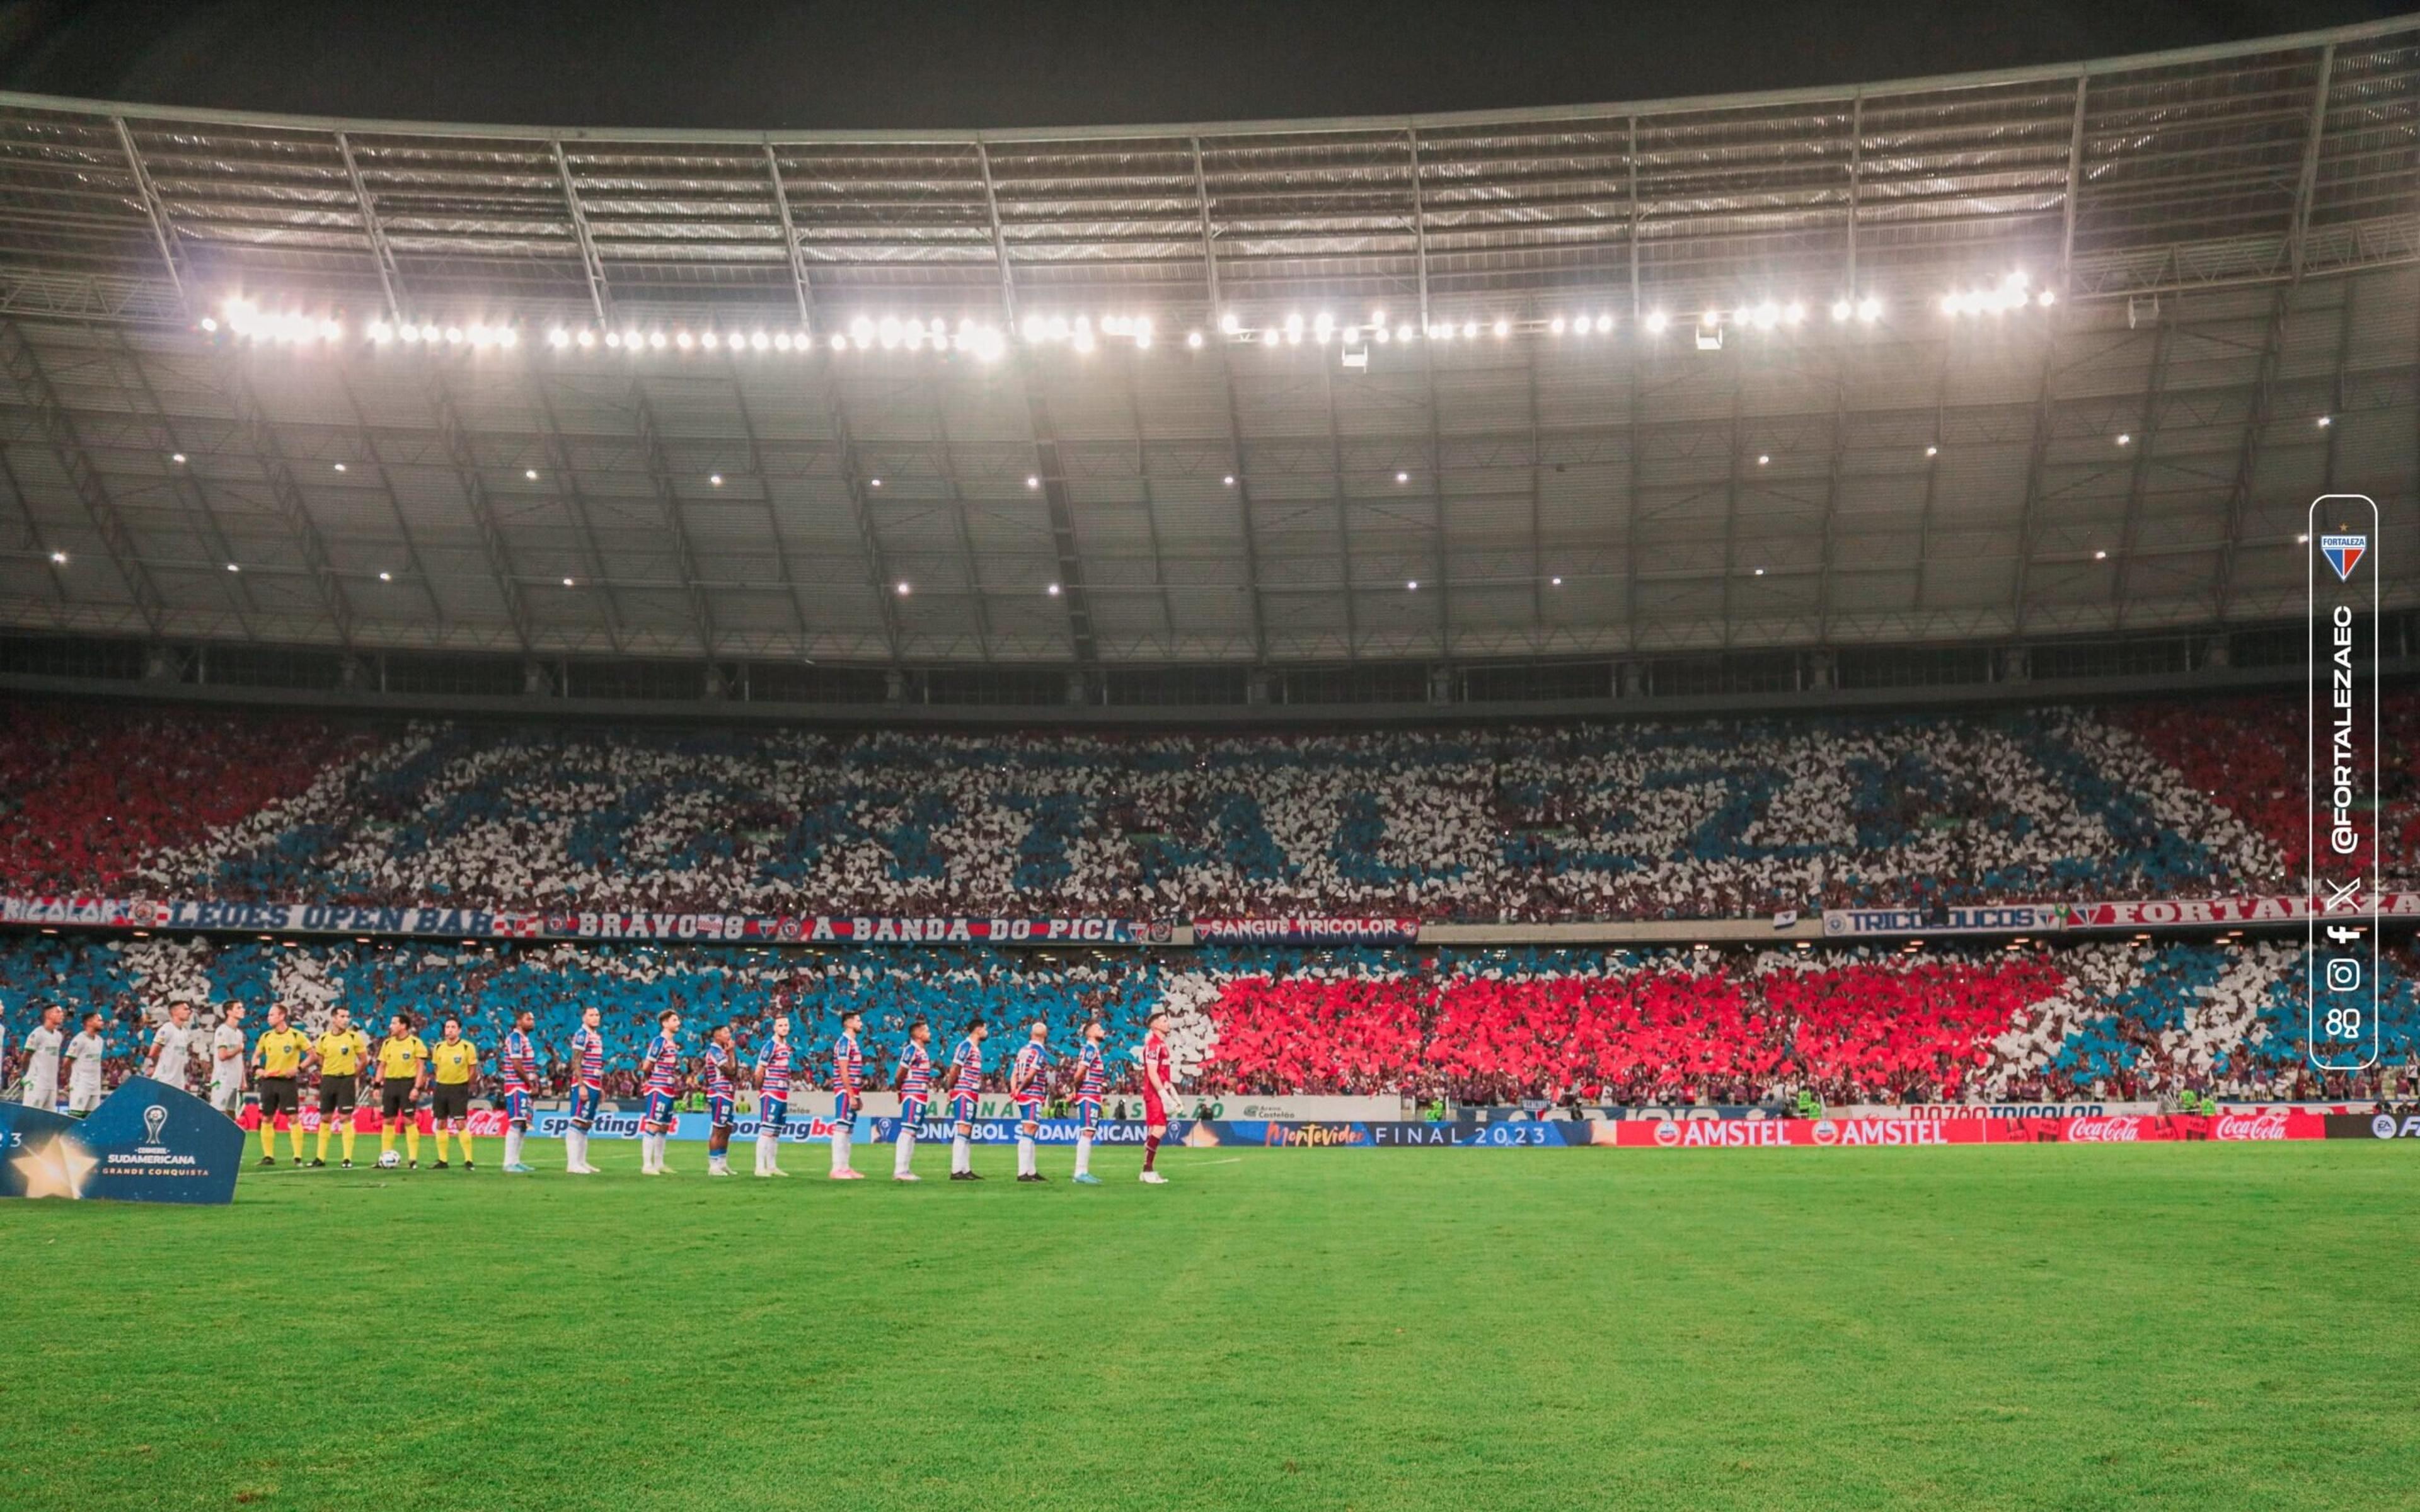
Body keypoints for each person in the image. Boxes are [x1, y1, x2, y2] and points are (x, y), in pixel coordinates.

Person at [250, 1005, 312, 1165]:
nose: (268, 1018)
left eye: (272, 1015)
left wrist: (299, 1068)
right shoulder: (266, 1037)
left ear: (282, 1016)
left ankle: (297, 1157)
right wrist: (258, 1069)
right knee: (266, 1118)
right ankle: (268, 1156)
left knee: (293, 1117)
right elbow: (256, 1056)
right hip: (269, 1082)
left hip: (287, 1082)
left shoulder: (296, 1036)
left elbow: (313, 1055)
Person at [310, 1007, 369, 1167]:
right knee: (325, 1118)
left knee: (345, 1117)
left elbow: (364, 1060)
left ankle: (347, 1158)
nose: (346, 1019)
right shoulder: (324, 1039)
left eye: (347, 1016)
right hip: (328, 1080)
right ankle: (320, 1158)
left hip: (346, 1080)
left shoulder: (354, 1037)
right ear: (334, 1019)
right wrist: (329, 1071)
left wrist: (353, 1075)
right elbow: (320, 1059)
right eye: (342, 1016)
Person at [375, 1013, 429, 1169]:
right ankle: (384, 1157)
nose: (390, 1026)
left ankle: (412, 1159)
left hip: (407, 1083)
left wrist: (416, 1088)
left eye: (394, 1023)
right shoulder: (387, 1044)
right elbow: (382, 1066)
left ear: (403, 1026)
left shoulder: (415, 1043)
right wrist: (377, 1085)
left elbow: (421, 1068)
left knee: (408, 1120)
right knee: (388, 1120)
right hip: (390, 1084)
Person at [426, 1015, 480, 1169]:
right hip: (442, 1087)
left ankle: (469, 1161)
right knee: (441, 1122)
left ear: (459, 1030)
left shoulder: (467, 1047)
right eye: (447, 1027)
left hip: (459, 1088)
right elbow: (436, 1067)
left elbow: (472, 1068)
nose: (449, 1030)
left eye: (453, 1027)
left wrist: (466, 1084)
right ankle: (443, 1161)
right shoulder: (438, 1047)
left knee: (460, 1123)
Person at [638, 1010, 683, 1176]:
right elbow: (647, 1066)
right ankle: (647, 1165)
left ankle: (659, 1163)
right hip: (658, 1088)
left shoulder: (672, 1044)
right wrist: (651, 1082)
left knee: (664, 1126)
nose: (678, 1023)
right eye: (675, 1020)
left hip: (668, 1089)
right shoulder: (659, 1042)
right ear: (665, 1023)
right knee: (653, 1125)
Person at [1139, 1007, 1180, 1185]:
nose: (1167, 1023)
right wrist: (1163, 1094)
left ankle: (1147, 1169)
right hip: (1154, 1093)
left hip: (1159, 1091)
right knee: (1159, 1129)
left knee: (1154, 1131)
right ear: (1154, 1025)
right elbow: (1152, 1073)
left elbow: (1163, 1075)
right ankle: (1147, 1170)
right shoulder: (1153, 1046)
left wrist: (1174, 1094)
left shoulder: (1162, 1045)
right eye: (1164, 1021)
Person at [564, 1005, 606, 1174]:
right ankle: (572, 1163)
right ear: (584, 1018)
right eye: (591, 1015)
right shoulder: (582, 1035)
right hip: (585, 1083)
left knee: (587, 1124)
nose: (595, 1018)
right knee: (577, 1121)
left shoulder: (595, 1036)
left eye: (597, 1014)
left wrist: (600, 1086)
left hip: (594, 1082)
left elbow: (595, 1063)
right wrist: (581, 1084)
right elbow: (576, 1061)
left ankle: (581, 1162)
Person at [945, 1018, 988, 1181]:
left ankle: (965, 1169)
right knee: (963, 1128)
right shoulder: (966, 1046)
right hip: (963, 1091)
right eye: (985, 1029)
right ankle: (956, 1170)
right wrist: (951, 1088)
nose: (986, 1032)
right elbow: (955, 1068)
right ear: (978, 1030)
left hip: (972, 1092)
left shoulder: (976, 1049)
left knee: (968, 1131)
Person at [497, 1009, 540, 1174]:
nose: (532, 1022)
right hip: (517, 1086)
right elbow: (517, 1064)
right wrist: (529, 1084)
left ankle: (516, 1161)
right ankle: (508, 1163)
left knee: (522, 1124)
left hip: (524, 1086)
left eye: (533, 1019)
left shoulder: (524, 1039)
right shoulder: (515, 1038)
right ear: (519, 1022)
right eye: (528, 1019)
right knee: (516, 1122)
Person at [892, 1017, 933, 1183]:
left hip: (920, 1095)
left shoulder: (921, 1051)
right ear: (919, 1034)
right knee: (908, 1130)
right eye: (927, 1031)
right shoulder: (912, 1050)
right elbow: (899, 1073)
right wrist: (900, 1089)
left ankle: (905, 1169)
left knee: (912, 1132)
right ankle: (900, 1170)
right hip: (913, 1094)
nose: (930, 1034)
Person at [1010, 1018, 1051, 1183]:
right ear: (1045, 1035)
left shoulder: (1023, 1050)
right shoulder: (1039, 1052)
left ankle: (1031, 1171)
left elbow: (1014, 1073)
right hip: (1032, 1093)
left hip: (1022, 1094)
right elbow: (1032, 1073)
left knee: (1031, 1130)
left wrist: (1014, 1090)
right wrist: (1020, 1089)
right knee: (1029, 1129)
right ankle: (1023, 1172)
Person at [754, 1013, 795, 1178]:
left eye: (786, 1025)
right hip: (771, 1092)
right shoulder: (770, 1046)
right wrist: (760, 1090)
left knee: (776, 1132)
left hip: (782, 1092)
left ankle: (772, 1166)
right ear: (775, 1028)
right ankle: (759, 1167)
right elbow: (759, 1070)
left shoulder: (786, 1047)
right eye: (781, 1025)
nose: (784, 1028)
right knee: (766, 1131)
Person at [1069, 1017, 1109, 1185]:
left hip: (1091, 1095)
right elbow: (1079, 1073)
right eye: (1098, 1028)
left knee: (1089, 1132)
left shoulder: (1094, 1050)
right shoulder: (1090, 1049)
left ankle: (1082, 1171)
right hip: (1088, 1095)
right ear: (1090, 1033)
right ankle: (1080, 1172)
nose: (1102, 1031)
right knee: (1087, 1132)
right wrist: (1078, 1090)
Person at [696, 1024, 739, 1177]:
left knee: (727, 1130)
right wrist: (732, 1053)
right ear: (718, 1036)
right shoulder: (715, 1051)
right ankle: (713, 1165)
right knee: (718, 1130)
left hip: (727, 1094)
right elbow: (731, 1071)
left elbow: (735, 1073)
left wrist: (731, 1053)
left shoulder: (723, 1051)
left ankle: (722, 1163)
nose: (729, 1035)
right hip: (719, 1093)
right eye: (726, 1032)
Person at [829, 1007, 867, 1180]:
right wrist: (851, 1094)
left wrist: (858, 1095)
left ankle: (845, 1167)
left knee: (848, 1130)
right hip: (844, 1091)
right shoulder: (844, 1043)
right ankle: (837, 1168)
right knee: (842, 1127)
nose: (861, 1024)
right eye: (858, 1021)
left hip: (852, 1091)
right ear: (848, 1023)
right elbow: (844, 1071)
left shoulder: (853, 1043)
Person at [146, 1002, 202, 1093]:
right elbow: (153, 1052)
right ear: (175, 1012)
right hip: (164, 1079)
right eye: (185, 1009)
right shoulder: (166, 1029)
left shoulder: (184, 1032)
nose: (189, 1012)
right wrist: (160, 1066)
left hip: (179, 1081)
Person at [18, 1003, 64, 1111]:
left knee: (47, 1121)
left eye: (62, 1012)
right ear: (48, 1015)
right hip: (37, 1084)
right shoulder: (37, 1034)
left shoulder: (59, 1036)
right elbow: (25, 1057)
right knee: (30, 1117)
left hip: (52, 1085)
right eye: (58, 1012)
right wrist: (29, 1075)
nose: (62, 1015)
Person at [207, 1004, 248, 1120]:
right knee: (219, 1113)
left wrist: (243, 1080)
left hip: (235, 1079)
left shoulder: (239, 1033)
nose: (243, 1010)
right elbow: (223, 1055)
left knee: (232, 1114)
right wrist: (238, 1049)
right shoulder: (222, 1031)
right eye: (239, 1008)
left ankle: (227, 1138)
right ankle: (213, 1137)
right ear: (229, 1012)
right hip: (223, 1079)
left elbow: (239, 1058)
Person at [63, 1011, 107, 1117]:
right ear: (89, 1022)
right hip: (81, 1084)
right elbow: (67, 1062)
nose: (102, 1023)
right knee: (75, 1116)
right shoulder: (79, 1040)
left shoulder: (100, 1041)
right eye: (99, 1020)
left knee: (91, 1118)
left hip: (95, 1086)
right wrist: (71, 1080)